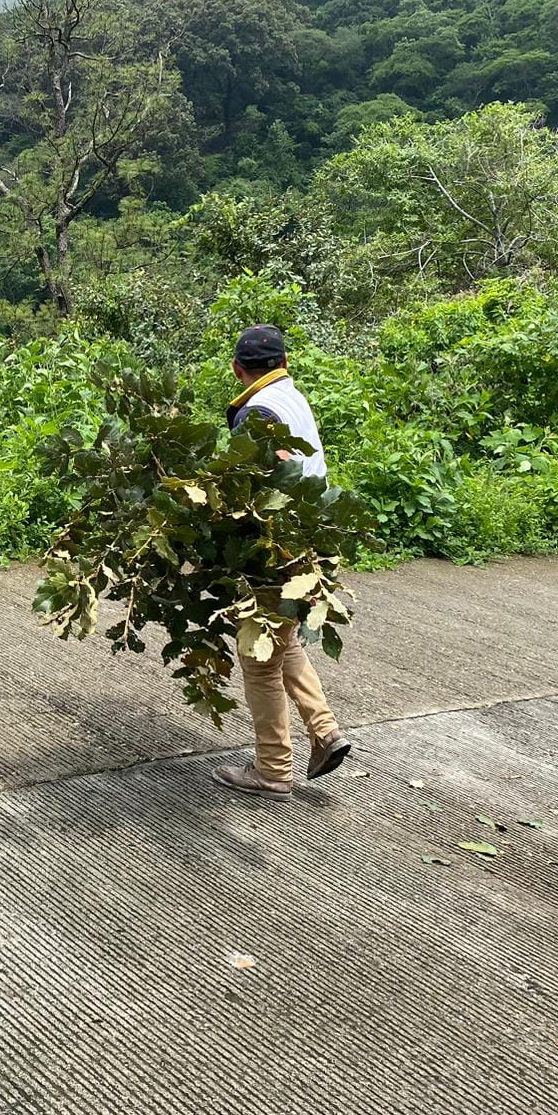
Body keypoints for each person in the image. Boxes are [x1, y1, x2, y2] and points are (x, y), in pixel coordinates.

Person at [212, 324, 353, 801]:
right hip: (311, 539)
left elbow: (277, 474)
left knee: (260, 660)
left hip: (276, 547)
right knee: (283, 638)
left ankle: (272, 770)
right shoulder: (291, 394)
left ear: (237, 368)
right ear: (283, 363)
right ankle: (326, 730)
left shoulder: (256, 412)